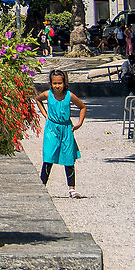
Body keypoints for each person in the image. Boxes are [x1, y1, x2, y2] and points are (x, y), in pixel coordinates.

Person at [41, 69, 85, 198]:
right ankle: (41, 186)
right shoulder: (47, 94)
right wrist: (45, 114)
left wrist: (79, 123)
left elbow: (82, 107)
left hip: (66, 129)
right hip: (52, 129)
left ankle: (72, 189)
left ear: (65, 83)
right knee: (48, 157)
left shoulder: (69, 96)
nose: (57, 86)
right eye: (55, 83)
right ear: (50, 84)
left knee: (69, 158)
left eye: (60, 83)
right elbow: (38, 100)